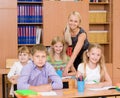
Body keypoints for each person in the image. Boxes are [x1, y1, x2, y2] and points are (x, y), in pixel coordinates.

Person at [63, 11, 89, 76]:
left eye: (75, 21)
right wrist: (67, 62)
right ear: (68, 21)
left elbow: (75, 52)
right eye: (71, 20)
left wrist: (67, 67)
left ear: (79, 23)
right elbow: (66, 47)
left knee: (81, 75)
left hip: (84, 56)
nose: (73, 23)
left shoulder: (82, 34)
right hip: (74, 56)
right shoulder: (66, 30)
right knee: (72, 75)